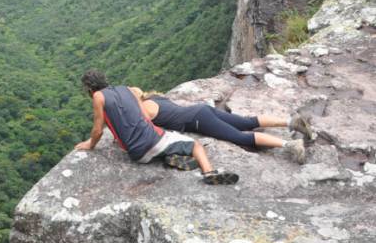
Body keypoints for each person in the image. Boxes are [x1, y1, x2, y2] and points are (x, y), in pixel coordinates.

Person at [75, 69, 239, 185]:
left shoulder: (98, 96)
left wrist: (90, 144)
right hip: (154, 141)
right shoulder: (127, 89)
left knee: (158, 147)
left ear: (89, 89)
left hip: (138, 154)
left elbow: (97, 130)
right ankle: (208, 173)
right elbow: (146, 117)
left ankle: (168, 156)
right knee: (196, 145)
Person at [136, 90, 311, 163]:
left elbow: (142, 127)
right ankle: (291, 122)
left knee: (240, 137)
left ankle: (291, 145)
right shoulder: (156, 98)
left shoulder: (145, 109)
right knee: (246, 122)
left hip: (198, 120)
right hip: (202, 110)